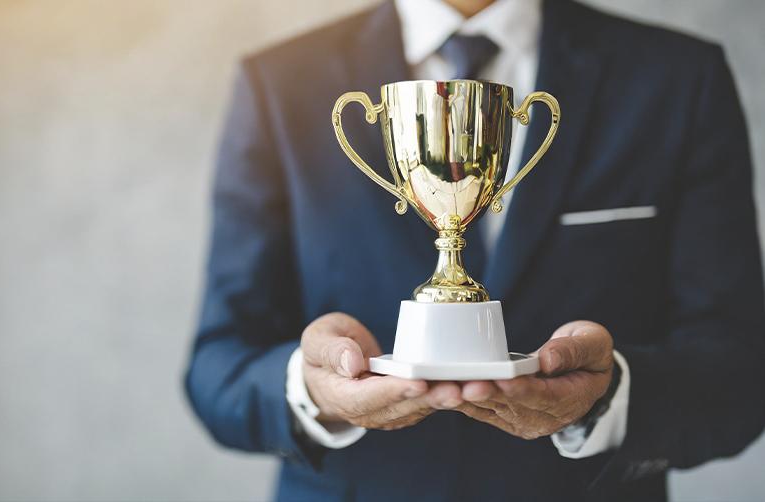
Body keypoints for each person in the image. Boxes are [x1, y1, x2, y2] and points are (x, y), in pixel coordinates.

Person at [184, 0, 765, 499]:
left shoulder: (677, 78)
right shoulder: (281, 84)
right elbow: (220, 369)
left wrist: (607, 396)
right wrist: (314, 391)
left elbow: (739, 376)